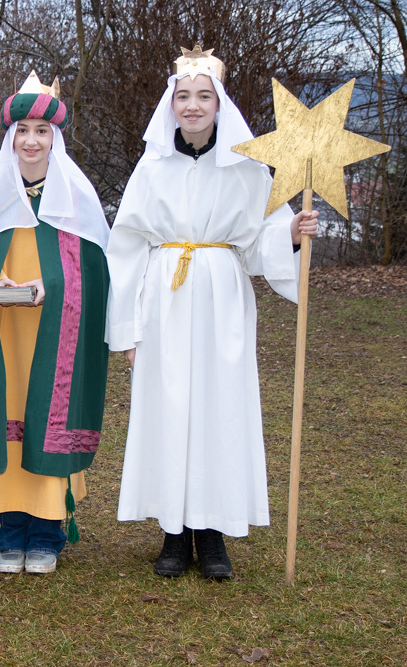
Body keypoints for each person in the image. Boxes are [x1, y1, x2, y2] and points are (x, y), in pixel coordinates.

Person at [106, 45, 319, 580]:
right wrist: (126, 329)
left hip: (222, 300)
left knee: (219, 406)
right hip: (165, 301)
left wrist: (292, 235)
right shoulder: (152, 168)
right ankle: (174, 534)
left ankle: (212, 533)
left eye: (204, 96)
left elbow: (259, 243)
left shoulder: (247, 169)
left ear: (219, 104)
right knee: (169, 407)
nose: (193, 106)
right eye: (184, 96)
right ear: (171, 105)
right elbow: (126, 249)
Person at [0, 72, 111, 575]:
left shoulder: (77, 198)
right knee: (8, 418)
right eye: (23, 131)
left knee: (48, 416)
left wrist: (57, 285)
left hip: (57, 334)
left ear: (55, 138)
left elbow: (96, 271)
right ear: (11, 138)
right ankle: (11, 532)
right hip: (5, 332)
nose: (32, 141)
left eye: (42, 131)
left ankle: (48, 532)